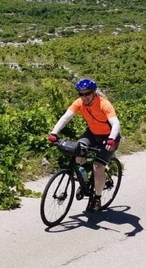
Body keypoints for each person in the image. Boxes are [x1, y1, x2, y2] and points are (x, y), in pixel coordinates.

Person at [47, 79, 121, 212]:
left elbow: (115, 123)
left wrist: (111, 139)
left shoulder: (104, 104)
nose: (84, 97)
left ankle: (97, 198)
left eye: (87, 94)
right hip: (92, 134)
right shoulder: (79, 103)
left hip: (108, 138)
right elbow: (65, 118)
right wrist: (54, 133)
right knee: (77, 154)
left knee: (98, 167)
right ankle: (85, 181)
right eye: (81, 94)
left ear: (93, 93)